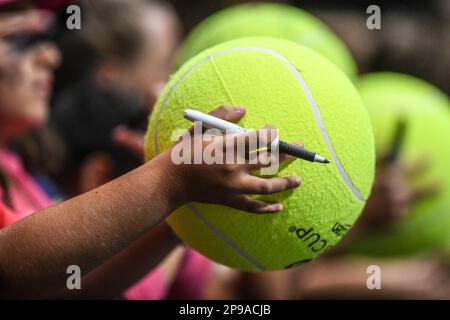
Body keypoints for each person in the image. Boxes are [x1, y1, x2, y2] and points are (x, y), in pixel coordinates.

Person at [0, 1, 302, 299]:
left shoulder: (22, 167)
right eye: (17, 39)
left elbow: (75, 289)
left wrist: (181, 206)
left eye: (47, 38)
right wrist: (169, 180)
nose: (50, 55)